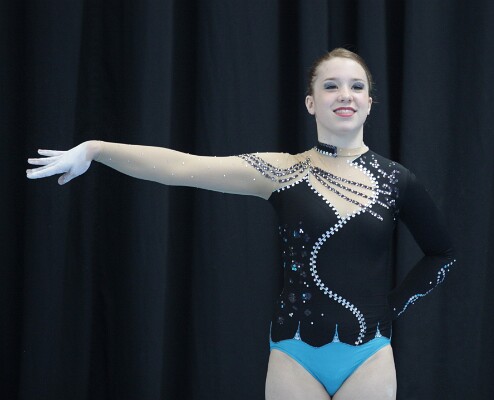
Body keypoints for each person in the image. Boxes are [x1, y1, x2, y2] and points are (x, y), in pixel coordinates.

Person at [27, 48, 455, 400]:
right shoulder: (283, 171)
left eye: (357, 86)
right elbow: (181, 167)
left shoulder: (396, 180)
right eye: (331, 85)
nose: (345, 94)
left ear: (369, 102)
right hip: (295, 354)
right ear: (310, 102)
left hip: (369, 355)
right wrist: (96, 149)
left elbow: (443, 253)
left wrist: (392, 307)